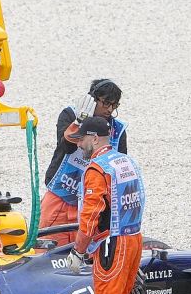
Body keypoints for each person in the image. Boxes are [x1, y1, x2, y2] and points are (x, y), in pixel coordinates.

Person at [64, 116, 160, 294]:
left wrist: (78, 251)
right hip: (134, 238)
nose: (80, 144)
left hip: (112, 245)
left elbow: (90, 216)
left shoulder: (96, 170)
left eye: (82, 139)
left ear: (94, 138)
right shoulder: (127, 162)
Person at [40, 79, 127, 245]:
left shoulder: (118, 130)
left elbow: (118, 171)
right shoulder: (70, 115)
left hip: (93, 203)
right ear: (92, 99)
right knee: (46, 250)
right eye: (106, 103)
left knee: (86, 258)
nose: (109, 110)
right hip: (60, 196)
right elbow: (66, 147)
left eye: (114, 106)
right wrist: (79, 122)